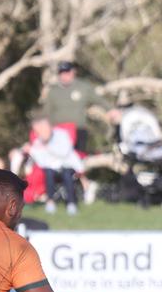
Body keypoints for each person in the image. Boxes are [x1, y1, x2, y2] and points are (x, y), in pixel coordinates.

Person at [41, 61, 121, 203]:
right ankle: (69, 190)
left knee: (77, 161)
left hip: (78, 131)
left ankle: (84, 187)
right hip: (58, 134)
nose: (64, 76)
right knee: (57, 163)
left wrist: (110, 109)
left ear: (73, 72)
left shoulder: (83, 87)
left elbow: (98, 100)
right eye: (62, 73)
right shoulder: (53, 91)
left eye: (67, 72)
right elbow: (47, 112)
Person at [24, 117, 84, 215]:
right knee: (48, 173)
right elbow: (41, 160)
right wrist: (31, 150)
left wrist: (47, 147)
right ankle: (50, 202)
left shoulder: (62, 135)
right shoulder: (39, 141)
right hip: (51, 169)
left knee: (67, 174)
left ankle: (71, 203)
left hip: (68, 165)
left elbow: (64, 153)